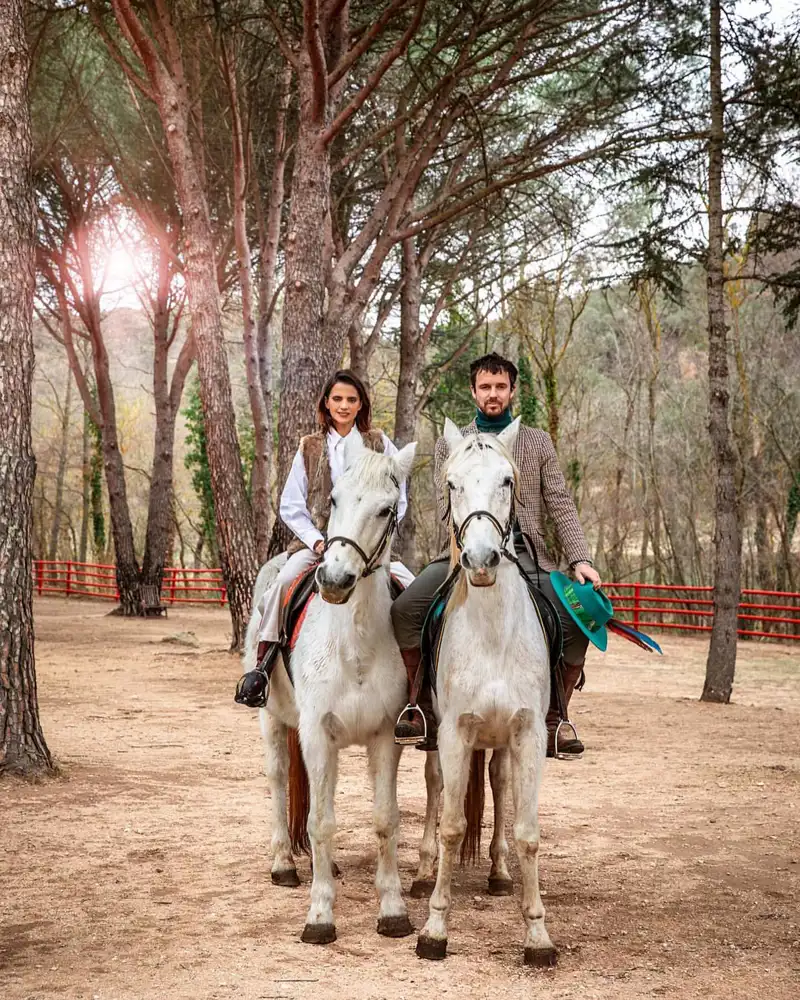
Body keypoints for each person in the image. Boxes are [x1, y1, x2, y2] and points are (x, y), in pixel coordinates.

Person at [391, 351, 601, 757]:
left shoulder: (537, 442)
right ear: (473, 391)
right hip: (464, 550)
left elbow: (559, 502)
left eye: (500, 387)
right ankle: (421, 706)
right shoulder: (452, 442)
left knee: (578, 619)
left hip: (527, 556)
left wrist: (580, 559)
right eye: (485, 387)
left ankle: (556, 716)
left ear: (512, 391)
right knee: (405, 610)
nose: (493, 394)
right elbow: (442, 504)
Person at [253, 370, 415, 672]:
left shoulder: (379, 443)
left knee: (412, 588)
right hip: (314, 545)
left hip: (367, 548)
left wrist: (374, 540)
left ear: (360, 405)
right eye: (337, 398)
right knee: (283, 583)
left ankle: (417, 680)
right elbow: (290, 505)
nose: (344, 405)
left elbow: (398, 498)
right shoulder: (310, 447)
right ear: (326, 403)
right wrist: (316, 540)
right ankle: (263, 664)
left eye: (351, 399)